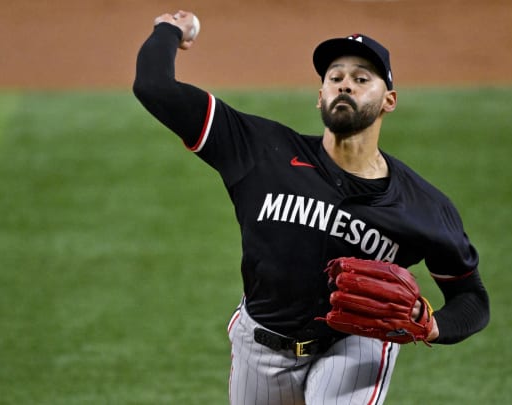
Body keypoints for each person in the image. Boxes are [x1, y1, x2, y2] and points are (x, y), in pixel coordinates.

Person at [133, 10, 490, 405]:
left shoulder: (423, 206)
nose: (345, 86)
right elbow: (154, 87)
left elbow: (471, 299)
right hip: (261, 343)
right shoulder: (260, 150)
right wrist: (169, 29)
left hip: (357, 346)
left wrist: (433, 325)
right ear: (320, 96)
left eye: (361, 79)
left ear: (389, 100)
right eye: (335, 78)